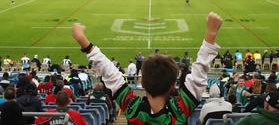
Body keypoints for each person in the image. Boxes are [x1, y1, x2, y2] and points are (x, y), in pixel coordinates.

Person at [70, 11, 222, 124]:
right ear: (172, 85)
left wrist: (85, 43)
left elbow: (110, 74)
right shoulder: (179, 111)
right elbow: (199, 74)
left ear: (141, 83)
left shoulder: (132, 108)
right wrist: (211, 35)